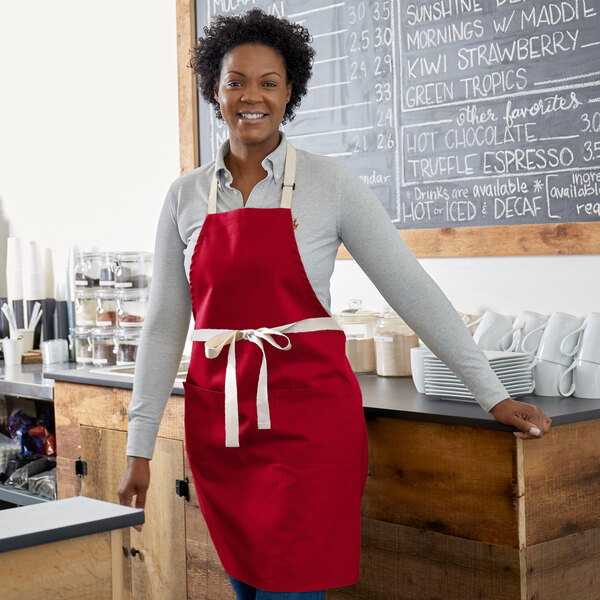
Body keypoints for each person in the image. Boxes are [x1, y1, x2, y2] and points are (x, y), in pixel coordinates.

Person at [117, 8, 551, 600]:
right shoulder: (184, 195)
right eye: (236, 81)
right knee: (247, 588)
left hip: (311, 428)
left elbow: (411, 290)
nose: (252, 96)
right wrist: (139, 446)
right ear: (213, 90)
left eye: (269, 82)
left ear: (290, 92)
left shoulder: (332, 184)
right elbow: (166, 325)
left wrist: (491, 393)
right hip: (222, 429)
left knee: (293, 588)